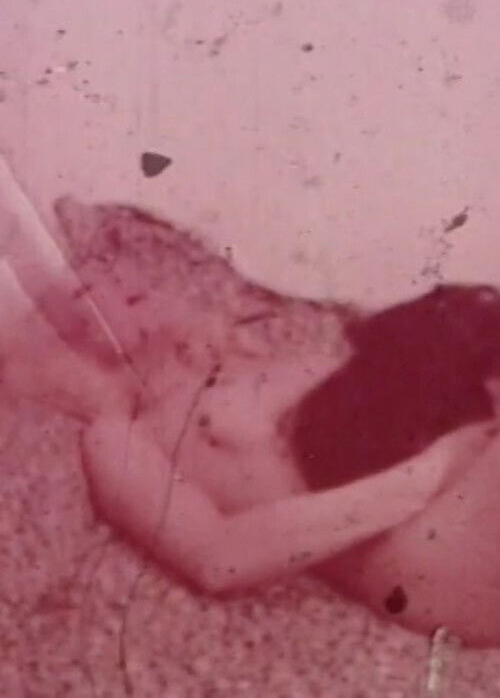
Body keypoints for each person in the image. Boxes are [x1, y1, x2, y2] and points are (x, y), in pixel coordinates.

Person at [0, 159, 496, 643]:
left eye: (114, 271)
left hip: (456, 489)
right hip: (427, 548)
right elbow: (216, 557)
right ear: (66, 342)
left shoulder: (240, 358)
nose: (116, 281)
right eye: (87, 288)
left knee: (456, 318)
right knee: (444, 324)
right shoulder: (120, 435)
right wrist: (423, 478)